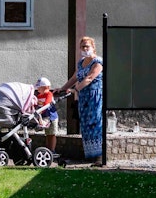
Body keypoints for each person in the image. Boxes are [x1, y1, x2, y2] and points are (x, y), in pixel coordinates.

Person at [58, 36, 104, 166]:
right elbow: (74, 77)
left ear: (93, 47)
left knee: (96, 123)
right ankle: (90, 155)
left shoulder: (98, 62)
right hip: (84, 98)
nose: (84, 49)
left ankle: (99, 156)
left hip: (95, 96)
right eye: (82, 46)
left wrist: (75, 90)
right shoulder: (81, 62)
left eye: (87, 46)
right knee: (85, 125)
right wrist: (62, 88)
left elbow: (89, 78)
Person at [34, 76, 59, 154]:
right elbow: (36, 104)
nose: (38, 90)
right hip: (44, 117)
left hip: (52, 117)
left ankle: (52, 150)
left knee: (52, 134)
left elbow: (46, 103)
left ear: (46, 87)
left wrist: (40, 111)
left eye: (39, 88)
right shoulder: (39, 96)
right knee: (48, 134)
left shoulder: (49, 94)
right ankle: (48, 149)